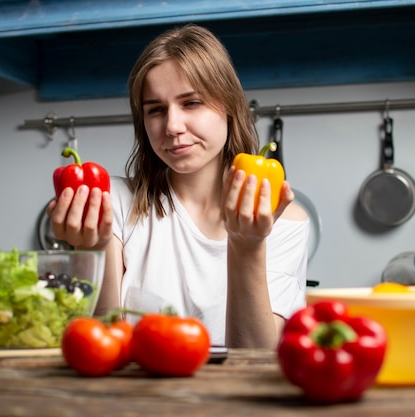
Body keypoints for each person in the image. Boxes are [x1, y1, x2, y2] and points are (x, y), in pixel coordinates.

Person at [48, 24, 309, 349]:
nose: (171, 126)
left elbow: (256, 357)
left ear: (229, 105)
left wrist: (248, 246)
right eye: (156, 110)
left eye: (191, 103)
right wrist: (94, 250)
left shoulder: (282, 219)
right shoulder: (116, 200)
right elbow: (102, 342)